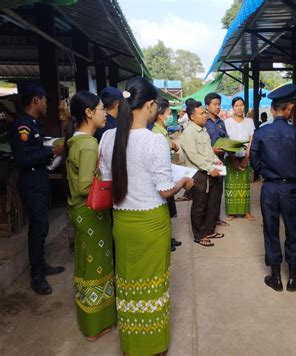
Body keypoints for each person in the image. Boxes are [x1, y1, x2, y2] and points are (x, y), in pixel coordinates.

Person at [99, 77, 193, 355]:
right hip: (151, 224)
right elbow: (165, 191)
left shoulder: (107, 137)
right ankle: (152, 347)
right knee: (152, 288)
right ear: (150, 105)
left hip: (122, 222)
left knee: (128, 286)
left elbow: (107, 181)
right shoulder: (154, 142)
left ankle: (131, 346)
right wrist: (184, 182)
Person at [64, 91, 116, 341]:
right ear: (88, 113)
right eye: (100, 109)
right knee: (96, 267)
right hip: (90, 212)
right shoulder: (88, 144)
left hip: (79, 212)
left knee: (86, 265)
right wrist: (110, 181)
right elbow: (86, 186)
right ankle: (97, 325)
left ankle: (90, 321)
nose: (104, 112)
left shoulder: (75, 140)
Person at [250, 84, 296, 292]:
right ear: (289, 109)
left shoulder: (260, 133)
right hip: (290, 188)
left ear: (274, 109)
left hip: (269, 188)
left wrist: (266, 173)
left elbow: (254, 161)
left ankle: (275, 278)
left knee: (270, 230)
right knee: (293, 230)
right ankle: (294, 279)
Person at [10, 84, 65, 295]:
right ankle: (36, 275)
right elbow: (23, 159)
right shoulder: (22, 127)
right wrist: (51, 151)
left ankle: (41, 265)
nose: (45, 104)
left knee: (41, 226)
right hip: (31, 182)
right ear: (36, 100)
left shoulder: (32, 124)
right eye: (43, 100)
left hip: (39, 179)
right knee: (38, 228)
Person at [180, 99, 224, 247]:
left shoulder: (203, 130)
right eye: (201, 113)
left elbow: (208, 151)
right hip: (198, 173)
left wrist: (216, 160)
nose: (205, 115)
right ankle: (199, 235)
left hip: (210, 170)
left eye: (205, 112)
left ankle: (209, 230)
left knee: (213, 202)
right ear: (192, 117)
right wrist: (210, 168)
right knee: (200, 205)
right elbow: (194, 156)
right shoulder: (188, 133)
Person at [152, 98, 182, 251]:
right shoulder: (155, 133)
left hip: (168, 171)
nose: (171, 116)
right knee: (165, 205)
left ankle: (169, 237)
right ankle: (165, 240)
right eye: (169, 113)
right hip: (162, 175)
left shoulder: (162, 130)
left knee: (169, 208)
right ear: (160, 115)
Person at [224, 97, 256, 221]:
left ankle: (245, 212)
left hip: (244, 157)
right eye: (237, 106)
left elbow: (251, 140)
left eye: (242, 105)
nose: (239, 108)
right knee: (231, 186)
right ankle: (231, 212)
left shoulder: (249, 121)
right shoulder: (227, 122)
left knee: (245, 186)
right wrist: (233, 158)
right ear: (233, 107)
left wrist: (246, 157)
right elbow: (226, 142)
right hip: (231, 158)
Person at [204, 92, 229, 227]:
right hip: (207, 162)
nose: (218, 107)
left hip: (220, 161)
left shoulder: (221, 122)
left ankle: (216, 218)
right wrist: (211, 150)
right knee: (207, 191)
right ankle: (207, 220)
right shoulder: (203, 122)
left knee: (218, 191)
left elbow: (225, 139)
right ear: (207, 106)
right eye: (215, 104)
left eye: (219, 104)